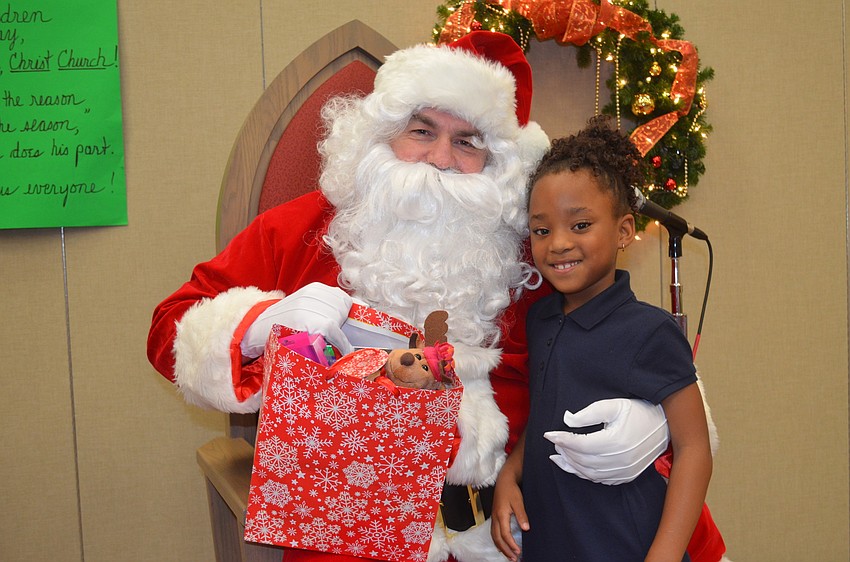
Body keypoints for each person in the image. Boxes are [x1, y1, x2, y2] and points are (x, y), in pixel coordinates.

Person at [147, 32, 690, 562]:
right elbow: (170, 326)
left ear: (498, 163)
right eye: (422, 131)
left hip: (515, 534)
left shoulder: (533, 252)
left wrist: (658, 421)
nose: (440, 158)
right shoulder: (300, 230)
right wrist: (258, 325)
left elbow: (628, 341)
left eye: (467, 141)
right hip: (349, 538)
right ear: (382, 134)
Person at [491, 116, 714, 562]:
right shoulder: (541, 319)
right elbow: (548, 411)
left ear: (624, 231)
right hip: (552, 543)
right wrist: (509, 475)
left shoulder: (649, 331)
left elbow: (694, 447)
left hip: (624, 545)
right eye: (542, 230)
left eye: (580, 225)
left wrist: (665, 556)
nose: (558, 243)